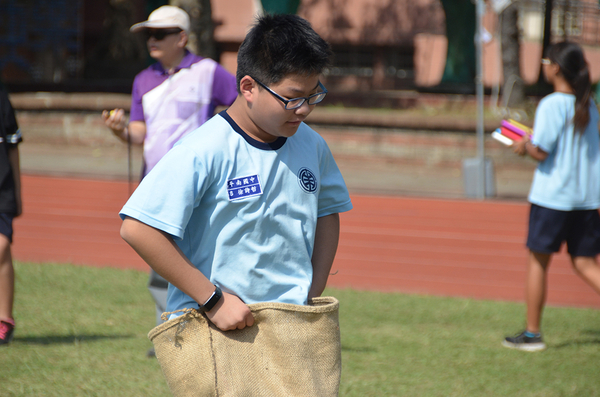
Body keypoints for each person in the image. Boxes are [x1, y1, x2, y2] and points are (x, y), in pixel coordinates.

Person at [119, 11, 351, 338]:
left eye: (313, 96)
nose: (304, 109)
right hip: (215, 327)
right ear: (248, 87)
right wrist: (212, 300)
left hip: (290, 323)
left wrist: (313, 289)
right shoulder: (203, 149)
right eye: (292, 98)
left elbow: (327, 210)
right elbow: (137, 228)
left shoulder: (311, 144)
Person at [101, 5, 237, 348]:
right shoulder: (142, 80)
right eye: (149, 34)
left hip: (202, 186)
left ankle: (215, 322)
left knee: (202, 256)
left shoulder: (209, 72)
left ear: (182, 37)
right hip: (157, 187)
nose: (152, 40)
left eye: (160, 33)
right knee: (161, 262)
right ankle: (172, 331)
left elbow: (242, 110)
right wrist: (119, 130)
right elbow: (138, 133)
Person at [503, 41, 600, 352]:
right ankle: (531, 335)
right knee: (585, 263)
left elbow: (541, 151)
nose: (544, 65)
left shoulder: (551, 104)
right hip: (585, 199)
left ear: (555, 67)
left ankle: (532, 335)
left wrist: (522, 146)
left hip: (553, 199)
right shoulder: (589, 104)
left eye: (546, 60)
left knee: (538, 261)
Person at [0, 86, 22, 346]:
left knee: (2, 247)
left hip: (3, 190)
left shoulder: (2, 97)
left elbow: (14, 147)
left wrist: (17, 191)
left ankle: (4, 318)